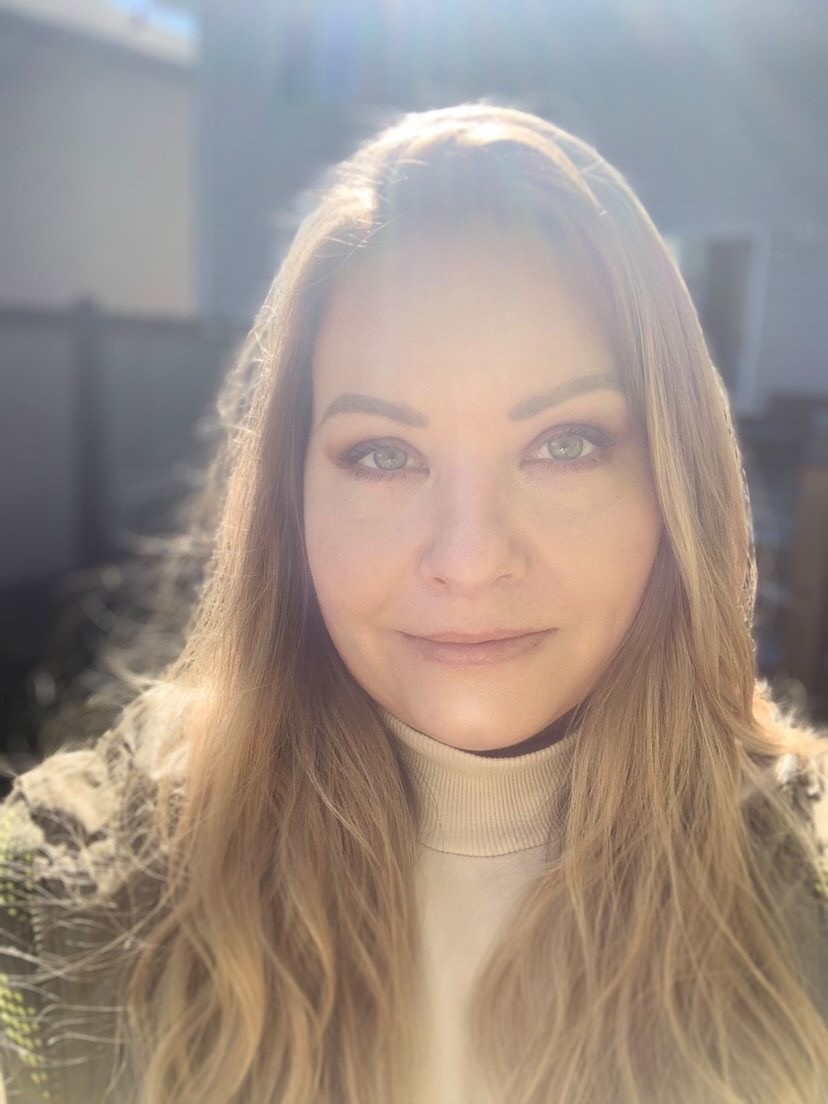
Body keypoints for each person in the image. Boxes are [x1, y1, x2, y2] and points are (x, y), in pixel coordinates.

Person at [0, 103, 826, 1104]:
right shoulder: (68, 898)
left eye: (565, 444)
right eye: (383, 454)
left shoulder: (807, 887)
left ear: (672, 484)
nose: (469, 560)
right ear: (293, 500)